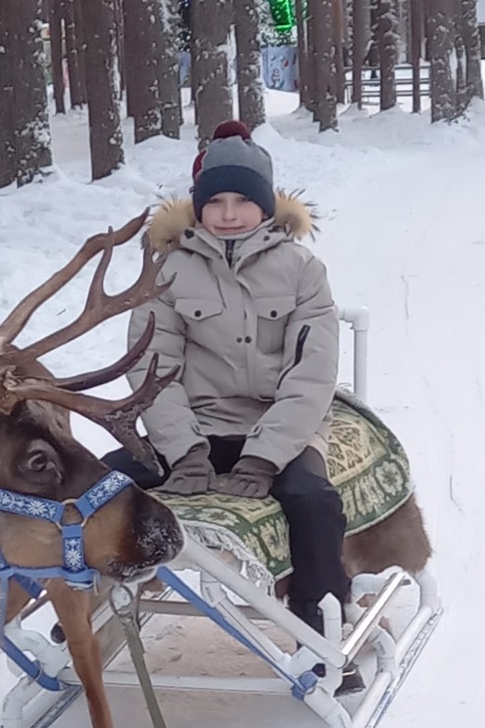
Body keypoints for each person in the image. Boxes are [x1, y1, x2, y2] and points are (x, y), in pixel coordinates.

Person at [105, 120, 361, 692]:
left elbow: (312, 374)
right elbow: (151, 369)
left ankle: (322, 637)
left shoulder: (302, 271)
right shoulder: (167, 272)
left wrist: (267, 456)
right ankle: (83, 612)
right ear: (197, 207)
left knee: (311, 500)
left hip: (277, 427)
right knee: (101, 482)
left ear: (265, 205)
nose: (227, 212)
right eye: (214, 200)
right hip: (194, 426)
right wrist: (184, 450)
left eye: (242, 199)